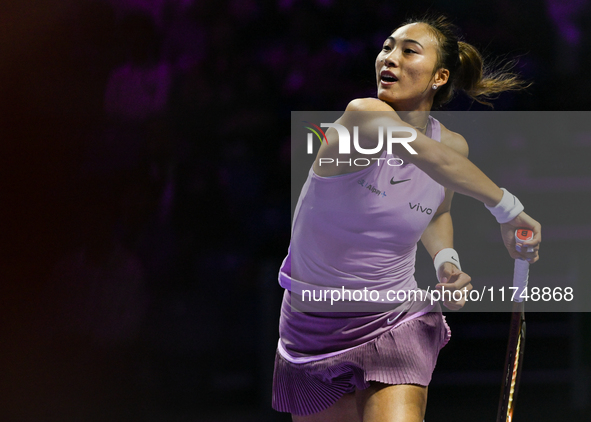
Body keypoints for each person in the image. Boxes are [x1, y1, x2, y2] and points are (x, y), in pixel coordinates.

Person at [272, 15, 541, 422]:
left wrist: (445, 261)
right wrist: (507, 208)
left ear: (439, 76)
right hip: (313, 326)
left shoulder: (451, 144)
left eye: (408, 51)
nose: (389, 58)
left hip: (393, 317)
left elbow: (436, 210)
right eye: (386, 48)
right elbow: (426, 157)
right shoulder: (362, 117)